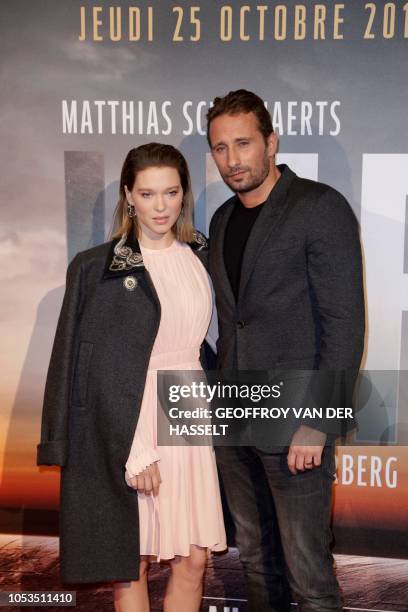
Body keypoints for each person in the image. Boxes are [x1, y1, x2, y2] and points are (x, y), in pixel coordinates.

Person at [37, 143, 227, 612]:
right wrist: (136, 448)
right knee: (133, 561)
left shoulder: (201, 256)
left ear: (184, 195)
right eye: (147, 194)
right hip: (130, 423)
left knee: (194, 560)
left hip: (188, 414)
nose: (160, 206)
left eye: (171, 192)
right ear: (128, 196)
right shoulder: (98, 267)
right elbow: (93, 368)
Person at [206, 90, 365, 611]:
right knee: (254, 560)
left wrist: (318, 422)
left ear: (271, 142)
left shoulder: (319, 207)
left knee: (308, 574)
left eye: (244, 143)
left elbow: (344, 325)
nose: (232, 159)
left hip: (296, 421)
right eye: (220, 148)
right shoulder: (222, 220)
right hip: (233, 422)